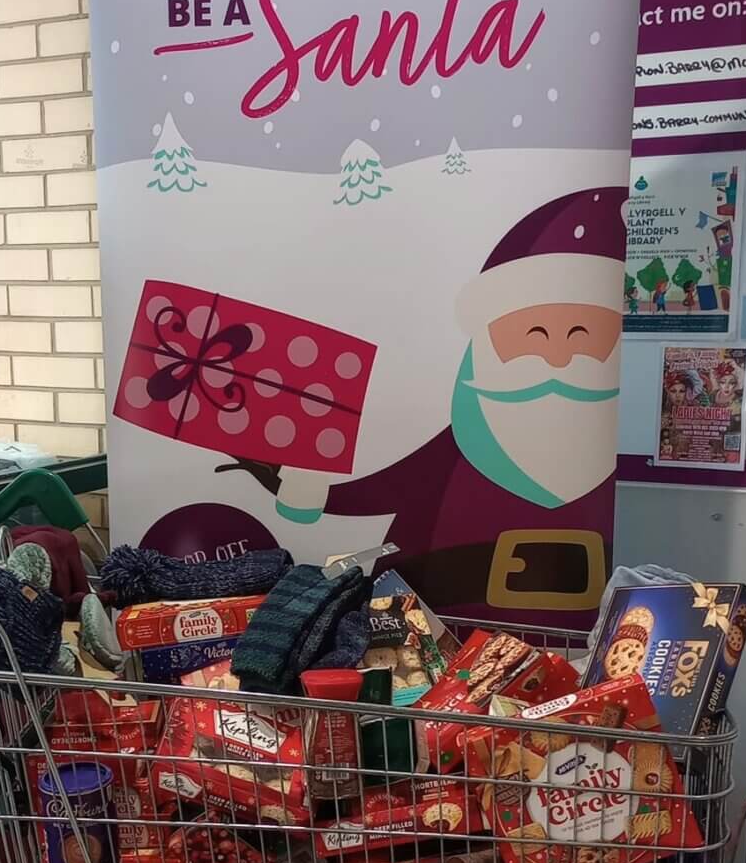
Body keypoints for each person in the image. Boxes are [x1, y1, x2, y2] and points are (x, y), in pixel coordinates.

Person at [219, 188, 628, 631]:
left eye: (583, 333)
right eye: (533, 333)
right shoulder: (459, 448)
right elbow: (382, 490)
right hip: (428, 634)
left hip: (557, 639)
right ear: (486, 340)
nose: (558, 358)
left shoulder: (598, 465)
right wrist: (293, 485)